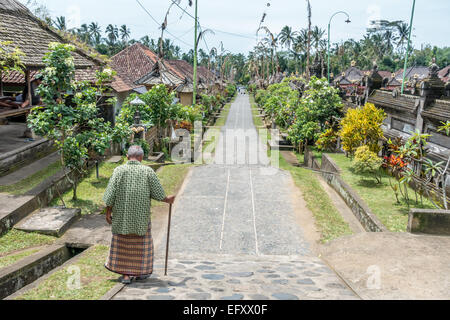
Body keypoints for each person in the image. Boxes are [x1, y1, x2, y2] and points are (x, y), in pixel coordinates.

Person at [103, 145, 176, 284]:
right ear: (141, 157)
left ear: (127, 156)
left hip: (121, 219)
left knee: (123, 246)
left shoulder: (118, 170)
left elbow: (109, 195)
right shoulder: (147, 171)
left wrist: (108, 212)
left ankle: (125, 275)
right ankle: (139, 271)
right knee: (141, 245)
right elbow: (159, 194)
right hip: (141, 219)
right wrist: (168, 200)